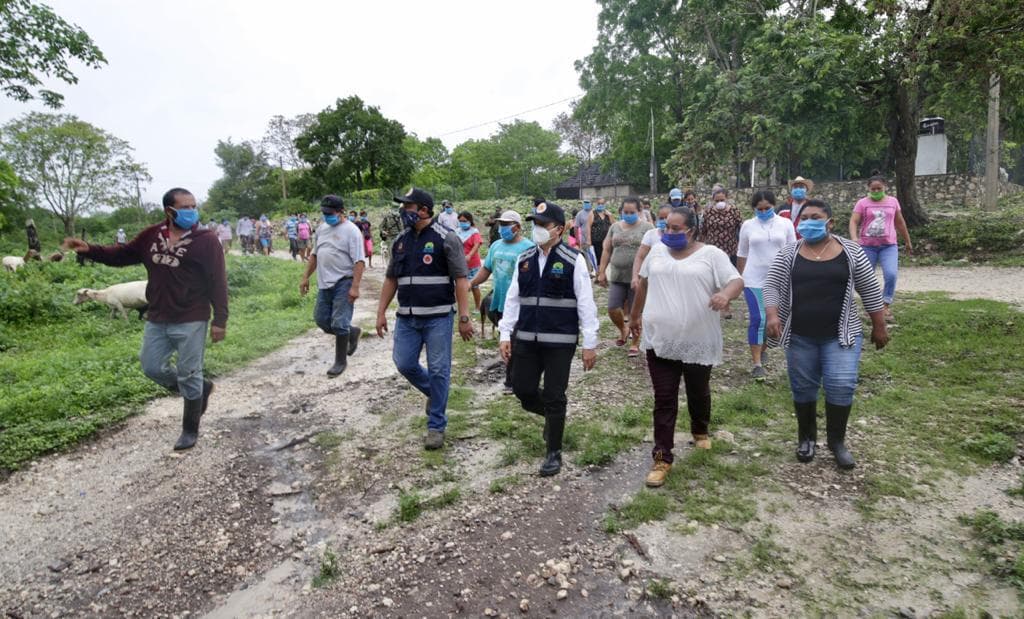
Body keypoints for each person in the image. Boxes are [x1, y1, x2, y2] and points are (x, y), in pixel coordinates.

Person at [62, 188, 227, 450]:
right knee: (151, 366)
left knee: (189, 371)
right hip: (157, 315)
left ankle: (189, 429)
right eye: (185, 207)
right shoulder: (152, 235)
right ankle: (200, 388)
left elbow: (218, 280)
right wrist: (90, 249)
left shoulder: (206, 240)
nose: (191, 211)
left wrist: (220, 319)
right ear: (169, 211)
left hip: (192, 316)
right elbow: (123, 254)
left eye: (193, 206)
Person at [763, 200, 889, 470]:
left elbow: (869, 289)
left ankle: (837, 442)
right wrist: (773, 315)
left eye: (815, 217)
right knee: (803, 386)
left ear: (830, 222)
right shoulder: (790, 253)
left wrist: (879, 326)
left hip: (840, 335)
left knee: (841, 384)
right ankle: (806, 438)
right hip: (800, 335)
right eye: (804, 217)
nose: (808, 221)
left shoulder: (851, 251)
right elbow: (772, 284)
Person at [630, 206, 743, 487]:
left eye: (676, 229)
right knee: (664, 398)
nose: (669, 232)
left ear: (692, 230)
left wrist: (724, 295)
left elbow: (736, 280)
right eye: (667, 227)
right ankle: (662, 457)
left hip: (697, 338)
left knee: (698, 390)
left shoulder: (711, 255)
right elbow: (643, 284)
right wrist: (634, 315)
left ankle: (700, 429)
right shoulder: (656, 251)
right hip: (660, 338)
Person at [499, 201, 598, 476]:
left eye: (544, 225)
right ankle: (554, 419)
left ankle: (553, 451)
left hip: (560, 342)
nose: (538, 229)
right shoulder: (526, 259)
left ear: (560, 228)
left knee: (555, 395)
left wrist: (590, 343)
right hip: (527, 339)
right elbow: (513, 299)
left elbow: (586, 305)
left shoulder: (573, 259)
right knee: (523, 390)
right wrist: (505, 333)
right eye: (536, 224)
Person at [376, 188, 474, 450]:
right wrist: (380, 312)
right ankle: (434, 392)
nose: (402, 211)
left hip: (438, 318)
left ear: (424, 210)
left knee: (440, 369)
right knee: (404, 363)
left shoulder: (446, 238)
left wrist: (464, 317)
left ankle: (436, 425)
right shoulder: (400, 241)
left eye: (407, 207)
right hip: (407, 317)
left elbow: (461, 280)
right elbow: (390, 279)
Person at [300, 196, 365, 378]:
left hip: (344, 281)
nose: (327, 216)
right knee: (321, 320)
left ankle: (340, 361)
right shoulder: (322, 229)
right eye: (324, 213)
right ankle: (352, 332)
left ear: (340, 211)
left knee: (339, 322)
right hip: (324, 283)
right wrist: (305, 277)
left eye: (330, 213)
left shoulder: (351, 231)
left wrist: (355, 287)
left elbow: (359, 261)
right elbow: (314, 255)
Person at [470, 210, 534, 393]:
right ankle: (513, 376)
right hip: (499, 301)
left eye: (507, 224)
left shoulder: (528, 248)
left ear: (518, 227)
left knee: (516, 340)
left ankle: (511, 381)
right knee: (506, 339)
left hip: (520, 304)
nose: (503, 228)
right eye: (501, 224)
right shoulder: (496, 246)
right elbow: (486, 270)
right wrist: (471, 284)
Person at [737, 190, 796, 381]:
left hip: (779, 279)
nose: (763, 212)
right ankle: (757, 364)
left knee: (775, 320)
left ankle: (762, 349)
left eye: (767, 208)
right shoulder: (747, 225)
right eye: (759, 209)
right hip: (753, 279)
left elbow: (792, 250)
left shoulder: (785, 224)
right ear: (754, 209)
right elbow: (742, 253)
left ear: (774, 206)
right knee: (758, 319)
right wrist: (739, 278)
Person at [848, 175, 913, 322]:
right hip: (867, 246)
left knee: (891, 274)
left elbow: (900, 222)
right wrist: (854, 239)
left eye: (879, 188)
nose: (876, 191)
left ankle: (885, 305)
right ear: (868, 189)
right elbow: (853, 221)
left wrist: (907, 241)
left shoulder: (893, 202)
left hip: (888, 246)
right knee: (864, 278)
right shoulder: (862, 203)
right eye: (873, 189)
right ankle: (870, 306)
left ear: (885, 187)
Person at [597, 197, 653, 357]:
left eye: (632, 212)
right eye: (625, 212)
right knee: (612, 308)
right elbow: (606, 250)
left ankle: (635, 342)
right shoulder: (614, 227)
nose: (628, 215)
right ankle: (623, 329)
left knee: (636, 313)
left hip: (638, 278)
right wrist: (601, 271)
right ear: (621, 211)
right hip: (617, 276)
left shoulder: (647, 228)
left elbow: (655, 249)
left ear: (639, 212)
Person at [631, 203, 672, 290]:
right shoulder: (651, 234)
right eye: (661, 218)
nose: (664, 221)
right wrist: (635, 276)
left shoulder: (679, 236)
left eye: (667, 218)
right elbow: (640, 256)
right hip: (652, 278)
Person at [701, 188, 744, 266]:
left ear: (727, 199)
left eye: (722, 200)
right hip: (713, 251)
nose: (719, 202)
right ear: (713, 200)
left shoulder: (734, 210)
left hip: (731, 250)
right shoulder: (708, 212)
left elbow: (742, 228)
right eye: (717, 201)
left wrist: (740, 246)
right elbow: (703, 231)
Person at [457, 211, 483, 312]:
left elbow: (477, 245)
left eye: (464, 221)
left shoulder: (474, 232)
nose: (462, 223)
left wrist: (469, 255)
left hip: (473, 263)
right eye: (460, 221)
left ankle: (477, 307)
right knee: (460, 285)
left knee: (474, 285)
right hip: (460, 263)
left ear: (470, 221)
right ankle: (462, 307)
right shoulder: (457, 231)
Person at [587, 197, 614, 268]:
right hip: (596, 241)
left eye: (602, 203)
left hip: (606, 241)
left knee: (606, 259)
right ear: (596, 204)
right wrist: (589, 240)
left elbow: (614, 225)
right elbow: (588, 227)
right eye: (599, 203)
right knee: (598, 260)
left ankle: (604, 274)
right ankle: (598, 274)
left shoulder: (608, 214)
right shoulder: (592, 213)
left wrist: (610, 215)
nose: (600, 205)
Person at [575, 199, 596, 272]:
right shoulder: (580, 214)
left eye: (588, 202)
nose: (586, 204)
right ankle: (589, 271)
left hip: (596, 239)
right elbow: (576, 227)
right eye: (585, 202)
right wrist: (577, 239)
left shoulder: (595, 213)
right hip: (585, 240)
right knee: (587, 256)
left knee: (596, 255)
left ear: (591, 204)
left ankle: (596, 271)